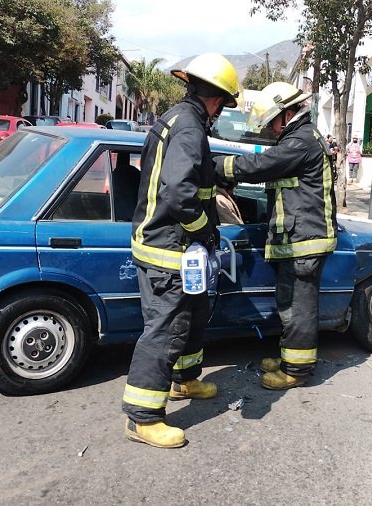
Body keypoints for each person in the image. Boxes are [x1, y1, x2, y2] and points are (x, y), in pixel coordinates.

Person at [122, 53, 240, 449]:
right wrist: (206, 230)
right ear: (217, 99)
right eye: (224, 104)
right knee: (166, 330)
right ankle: (142, 418)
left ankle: (184, 381)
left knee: (191, 317)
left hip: (166, 245)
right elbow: (179, 193)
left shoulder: (175, 118)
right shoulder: (190, 128)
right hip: (167, 249)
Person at [214, 81, 338, 390]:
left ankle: (296, 371)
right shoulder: (299, 138)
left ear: (286, 113)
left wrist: (215, 166)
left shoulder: (301, 141)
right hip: (297, 238)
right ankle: (289, 360)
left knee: (299, 308)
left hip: (305, 241)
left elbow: (260, 166)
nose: (269, 129)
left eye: (271, 121)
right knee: (289, 303)